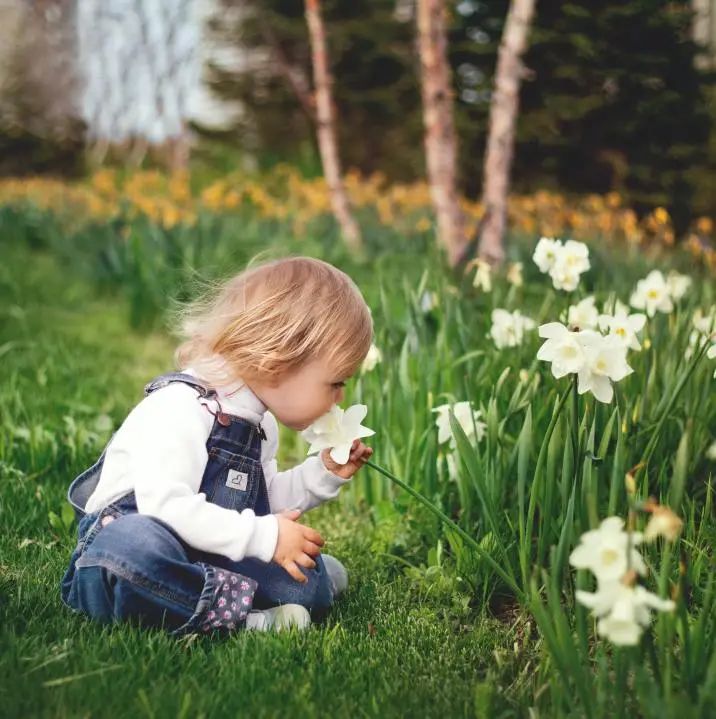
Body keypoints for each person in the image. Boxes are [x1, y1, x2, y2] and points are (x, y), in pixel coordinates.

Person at [60, 256, 374, 636]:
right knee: (131, 551)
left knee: (306, 578)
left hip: (203, 548)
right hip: (135, 547)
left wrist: (321, 474)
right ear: (278, 361)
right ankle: (244, 621)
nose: (339, 397)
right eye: (335, 383)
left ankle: (279, 586)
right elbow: (166, 507)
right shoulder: (182, 407)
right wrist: (265, 537)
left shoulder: (260, 424)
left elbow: (259, 501)